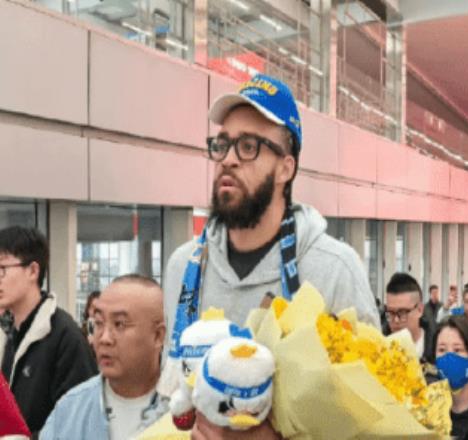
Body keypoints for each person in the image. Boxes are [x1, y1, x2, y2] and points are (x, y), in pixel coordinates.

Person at [162, 73, 379, 439]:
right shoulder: (184, 268)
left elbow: (372, 416)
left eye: (248, 146)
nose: (228, 160)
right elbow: (173, 396)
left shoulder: (334, 269)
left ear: (285, 168)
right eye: (222, 145)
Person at [40, 274, 169, 440]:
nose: (104, 338)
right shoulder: (69, 412)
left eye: (120, 324)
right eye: (99, 323)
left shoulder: (187, 411)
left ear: (158, 336)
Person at [0, 226, 97, 435]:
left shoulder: (65, 336)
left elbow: (78, 423)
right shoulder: (10, 335)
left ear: (33, 271)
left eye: (2, 269)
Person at [384, 273, 434, 362]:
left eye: (402, 312)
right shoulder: (378, 348)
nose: (396, 320)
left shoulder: (438, 348)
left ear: (420, 310)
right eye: (391, 313)